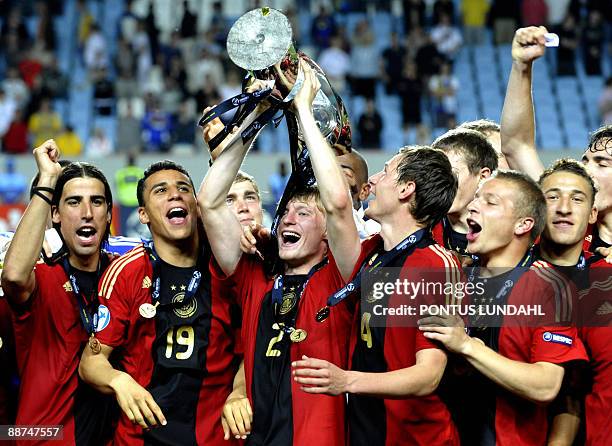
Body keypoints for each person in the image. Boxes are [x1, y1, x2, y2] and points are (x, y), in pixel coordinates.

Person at [199, 62, 355, 445]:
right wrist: (258, 114)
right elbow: (209, 201)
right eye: (285, 212)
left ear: (326, 237)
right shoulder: (255, 277)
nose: (288, 219)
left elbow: (337, 204)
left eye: (303, 213)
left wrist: (302, 106)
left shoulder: (343, 277)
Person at [292, 140, 462, 445]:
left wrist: (346, 380)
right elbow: (336, 204)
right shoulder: (371, 252)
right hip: (367, 432)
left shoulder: (435, 265)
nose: (373, 181)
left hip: (417, 438)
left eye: (385, 172)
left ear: (405, 189)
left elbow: (428, 375)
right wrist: (304, 113)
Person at [418, 170, 588, 445]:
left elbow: (546, 385)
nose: (473, 205)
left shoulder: (548, 287)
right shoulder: (456, 276)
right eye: (476, 198)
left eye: (490, 201)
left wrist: (467, 346)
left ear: (522, 225)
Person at [79, 160, 241, 445]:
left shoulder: (227, 266)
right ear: (143, 214)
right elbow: (91, 361)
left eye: (183, 188)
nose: (175, 195)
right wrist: (120, 381)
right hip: (141, 439)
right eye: (161, 190)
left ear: (197, 204)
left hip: (215, 437)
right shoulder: (127, 272)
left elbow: (250, 350)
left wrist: (239, 390)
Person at [1, 141, 116, 445]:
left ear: (108, 214)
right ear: (54, 213)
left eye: (97, 202)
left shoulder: (126, 273)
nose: (87, 213)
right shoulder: (40, 276)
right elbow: (12, 277)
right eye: (74, 202)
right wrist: (48, 180)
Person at [500, 26, 612, 252]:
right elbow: (516, 146)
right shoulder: (560, 216)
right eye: (586, 160)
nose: (586, 170)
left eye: (601, 163)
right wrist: (522, 66)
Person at [430, 128, 498, 257]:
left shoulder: (513, 234)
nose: (440, 182)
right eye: (435, 173)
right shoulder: (420, 230)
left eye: (452, 173)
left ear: (483, 177)